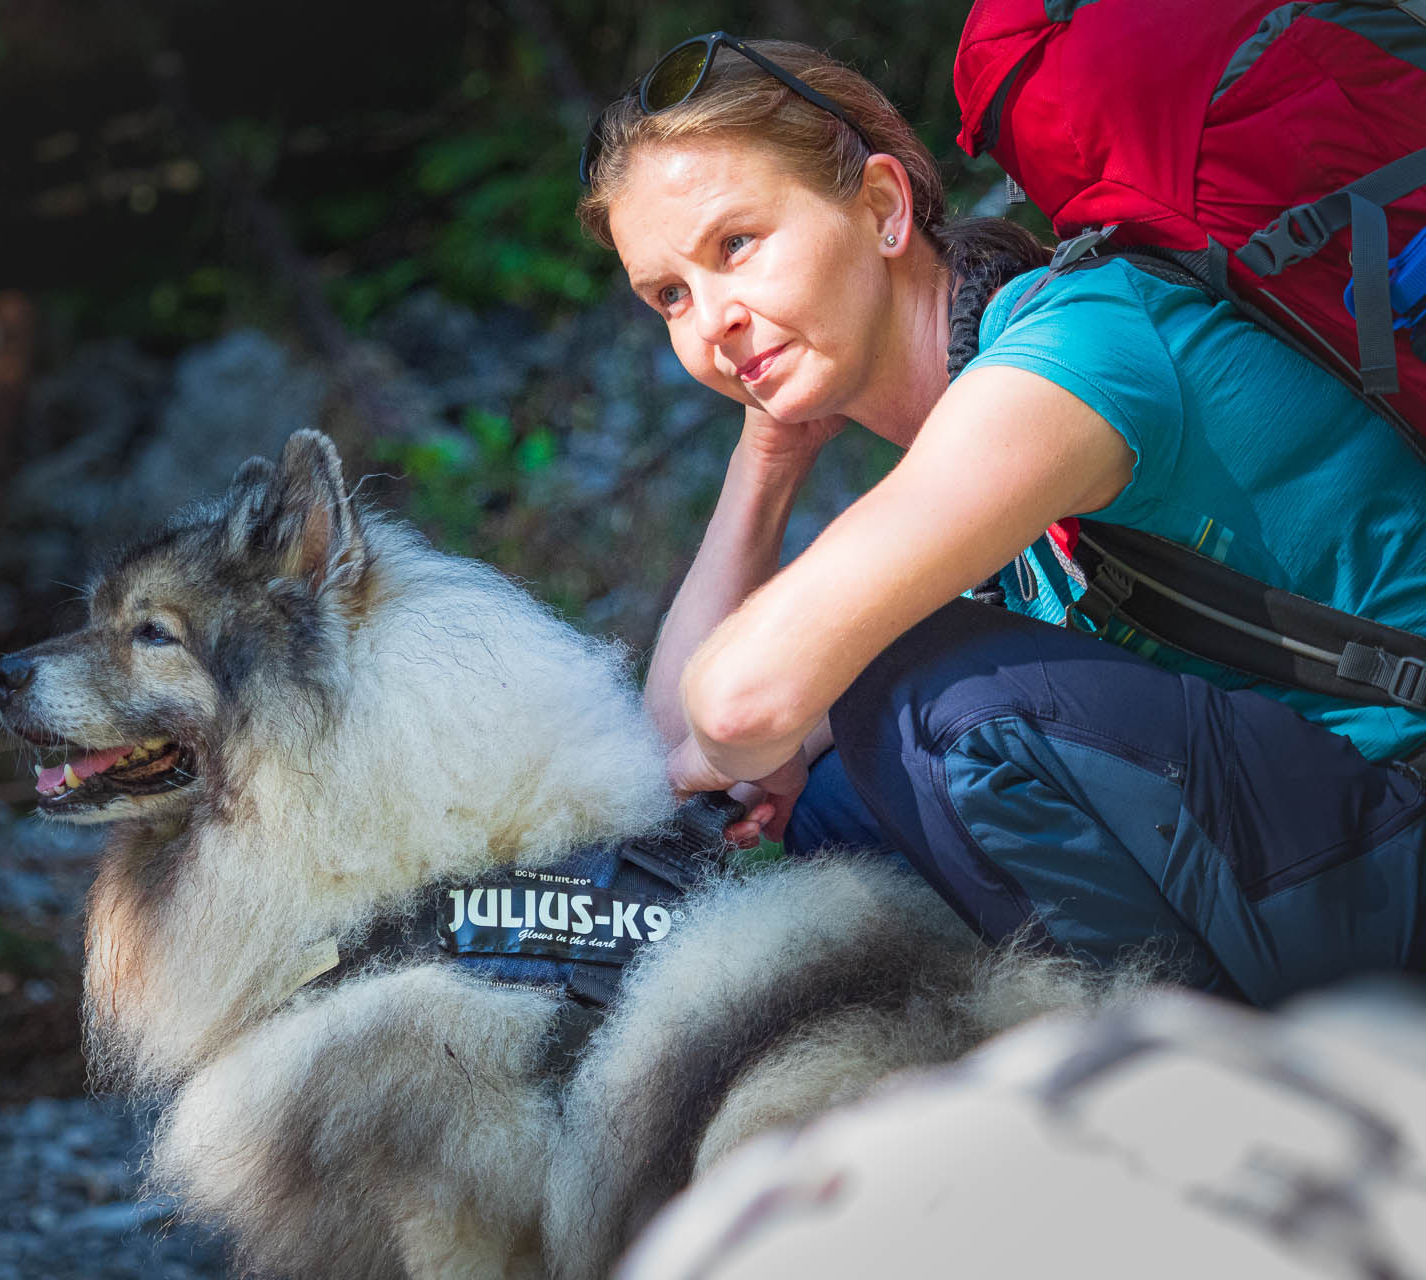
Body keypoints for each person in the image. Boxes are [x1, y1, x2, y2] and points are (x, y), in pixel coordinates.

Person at [576, 33, 1426, 1005]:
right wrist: (764, 455)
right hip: (1333, 838)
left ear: (886, 209)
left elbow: (736, 706)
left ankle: (1190, 1076)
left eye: (738, 244)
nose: (711, 319)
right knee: (840, 786)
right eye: (671, 295)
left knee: (917, 700)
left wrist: (765, 728)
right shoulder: (965, 457)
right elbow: (678, 751)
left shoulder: (1076, 349)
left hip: (1403, 813)